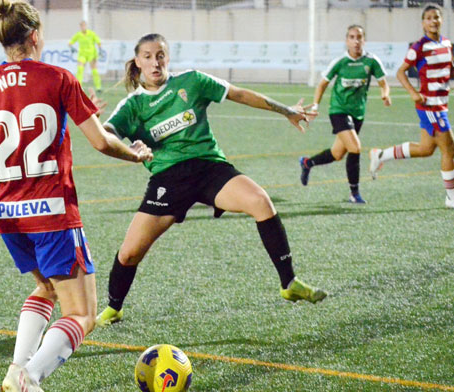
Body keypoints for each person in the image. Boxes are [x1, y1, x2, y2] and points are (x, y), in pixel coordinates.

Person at [0, 1, 152, 391]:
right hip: (52, 215)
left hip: (9, 216)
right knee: (83, 314)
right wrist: (135, 154)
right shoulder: (57, 78)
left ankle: (15, 370)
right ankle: (29, 378)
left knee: (48, 288)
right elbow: (102, 142)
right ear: (35, 36)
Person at [95, 33, 328, 327]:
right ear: (138, 62)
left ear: (167, 58)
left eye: (161, 55)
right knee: (129, 254)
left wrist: (286, 110)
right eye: (148, 57)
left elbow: (238, 93)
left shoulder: (191, 81)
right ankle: (114, 308)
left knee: (260, 202)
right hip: (168, 178)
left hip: (209, 168)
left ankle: (289, 282)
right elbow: (106, 135)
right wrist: (132, 149)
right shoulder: (134, 105)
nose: (155, 62)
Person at [369, 3, 454, 211]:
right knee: (449, 147)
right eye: (428, 18)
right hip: (430, 106)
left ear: (441, 20)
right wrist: (412, 92)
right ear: (423, 23)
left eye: (436, 17)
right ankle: (452, 197)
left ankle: (381, 155)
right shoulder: (419, 47)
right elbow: (401, 72)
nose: (433, 21)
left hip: (442, 104)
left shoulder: (446, 43)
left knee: (427, 149)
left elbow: (448, 71)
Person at [299, 25, 391, 204]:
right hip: (338, 111)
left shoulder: (371, 61)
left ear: (364, 40)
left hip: (358, 114)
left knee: (337, 154)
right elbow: (322, 84)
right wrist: (316, 106)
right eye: (352, 37)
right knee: (355, 148)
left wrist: (385, 94)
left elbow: (383, 83)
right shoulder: (340, 62)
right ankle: (354, 193)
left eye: (359, 37)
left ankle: (307, 163)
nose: (356, 41)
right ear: (346, 40)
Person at [68, 20, 103, 92]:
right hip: (82, 55)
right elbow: (70, 43)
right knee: (80, 69)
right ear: (80, 27)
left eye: (84, 25)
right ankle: (78, 87)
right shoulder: (78, 34)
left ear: (86, 26)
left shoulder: (91, 34)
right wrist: (72, 48)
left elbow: (98, 42)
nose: (83, 27)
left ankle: (98, 87)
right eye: (81, 26)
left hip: (92, 54)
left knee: (94, 71)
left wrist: (100, 50)